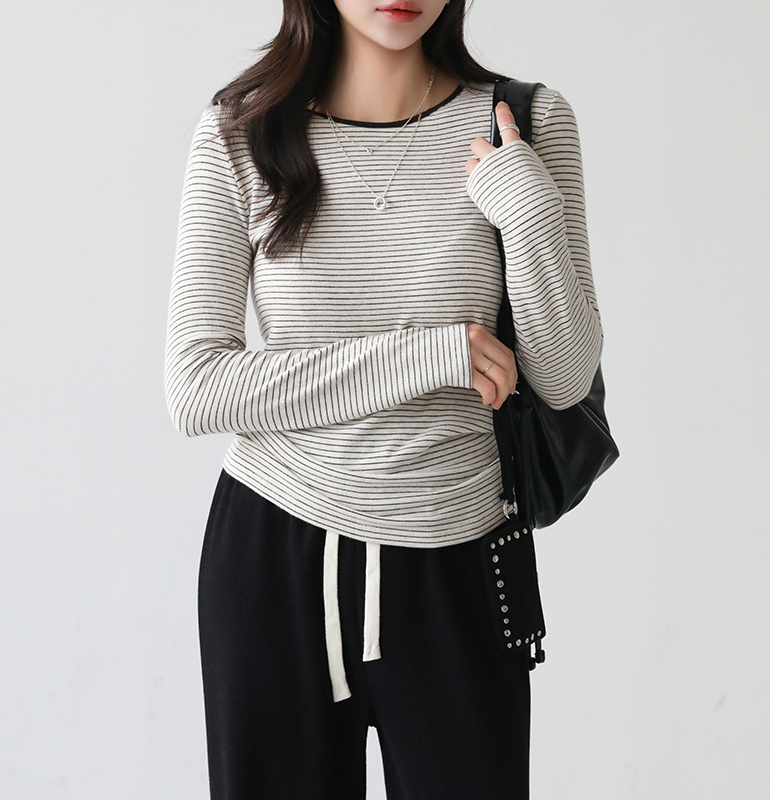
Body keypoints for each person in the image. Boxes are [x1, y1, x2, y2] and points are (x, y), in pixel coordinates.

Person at [163, 1, 604, 797]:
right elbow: (196, 385)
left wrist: (529, 213)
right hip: (276, 557)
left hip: (459, 562)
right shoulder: (241, 131)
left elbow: (565, 379)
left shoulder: (526, 122)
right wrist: (428, 356)